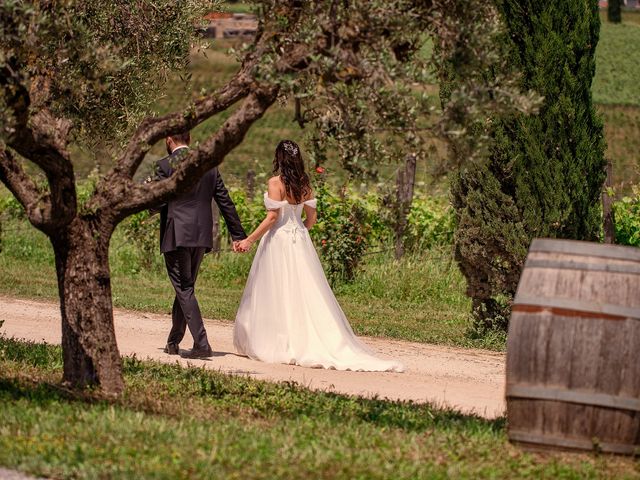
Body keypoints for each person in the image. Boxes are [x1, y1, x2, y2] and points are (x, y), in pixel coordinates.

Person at [233, 140, 404, 372]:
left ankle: (277, 341)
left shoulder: (275, 183)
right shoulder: (305, 184)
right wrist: (298, 228)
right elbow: (311, 220)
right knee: (304, 288)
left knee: (276, 288)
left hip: (279, 241)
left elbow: (272, 217)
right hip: (300, 240)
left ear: (279, 158)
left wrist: (249, 240)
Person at [155, 131, 247, 359]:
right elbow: (224, 200)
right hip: (202, 235)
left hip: (176, 235)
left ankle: (202, 343)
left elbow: (157, 200)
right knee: (185, 289)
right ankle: (174, 341)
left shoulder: (165, 165)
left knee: (184, 288)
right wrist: (238, 234)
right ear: (189, 137)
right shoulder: (208, 164)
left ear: (169, 139)